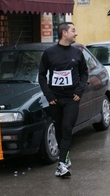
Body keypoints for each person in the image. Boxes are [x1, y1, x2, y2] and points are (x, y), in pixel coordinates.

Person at [38, 22, 89, 178]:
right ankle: (65, 157)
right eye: (73, 30)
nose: (76, 33)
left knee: (67, 128)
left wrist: (79, 91)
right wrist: (49, 95)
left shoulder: (77, 53)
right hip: (55, 99)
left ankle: (61, 165)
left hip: (71, 98)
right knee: (59, 129)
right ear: (64, 33)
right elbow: (41, 75)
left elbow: (85, 74)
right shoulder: (49, 53)